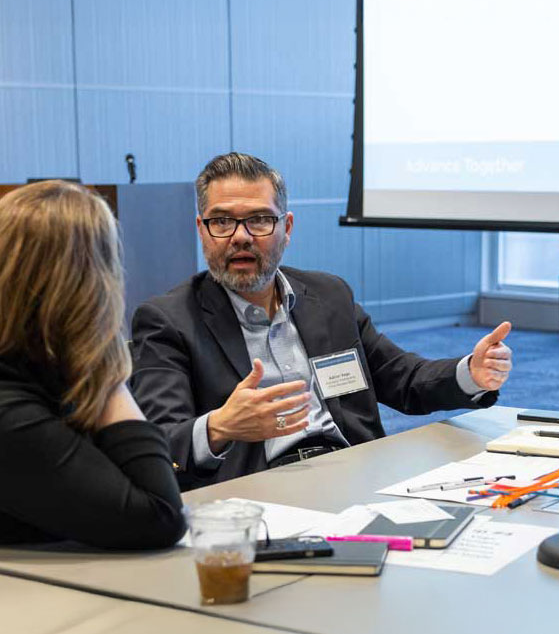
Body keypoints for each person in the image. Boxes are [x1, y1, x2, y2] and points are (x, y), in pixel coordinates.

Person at [130, 153, 514, 489]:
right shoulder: (169, 321)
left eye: (260, 220)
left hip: (356, 472)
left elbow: (401, 377)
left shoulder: (328, 295)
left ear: (287, 227)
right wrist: (220, 427)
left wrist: (471, 373)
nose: (240, 237)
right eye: (222, 222)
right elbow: (160, 441)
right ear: (202, 230)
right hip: (256, 488)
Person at [0, 181, 186, 549]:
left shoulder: (39, 367)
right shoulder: (9, 405)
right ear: (89, 284)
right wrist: (106, 361)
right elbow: (159, 515)